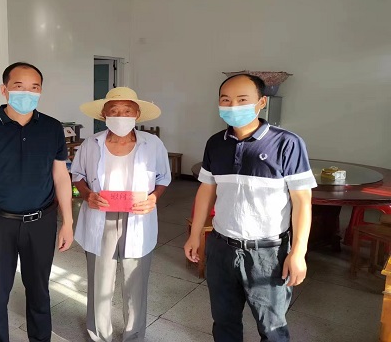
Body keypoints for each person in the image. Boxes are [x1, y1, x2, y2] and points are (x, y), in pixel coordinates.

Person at [184, 74, 316, 342]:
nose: (233, 106)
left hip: (267, 253)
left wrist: (298, 252)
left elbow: (302, 201)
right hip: (221, 248)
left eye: (242, 99)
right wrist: (195, 234)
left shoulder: (287, 143)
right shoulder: (215, 143)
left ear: (261, 102)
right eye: (226, 100)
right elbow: (206, 190)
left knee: (272, 327)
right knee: (224, 321)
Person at [0, 62, 74, 342]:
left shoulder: (52, 128)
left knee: (39, 290)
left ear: (41, 91)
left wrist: (68, 222)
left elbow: (61, 176)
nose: (27, 93)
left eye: (34, 88)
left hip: (41, 221)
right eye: (19, 86)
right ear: (4, 89)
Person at [72, 87, 171, 342]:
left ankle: (134, 336)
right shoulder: (91, 144)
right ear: (104, 114)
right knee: (100, 280)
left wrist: (153, 198)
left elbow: (163, 178)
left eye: (127, 111)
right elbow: (77, 175)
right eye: (114, 111)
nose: (120, 116)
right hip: (100, 217)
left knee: (135, 282)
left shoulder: (153, 144)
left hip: (138, 218)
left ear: (137, 114)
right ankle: (99, 334)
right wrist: (87, 195)